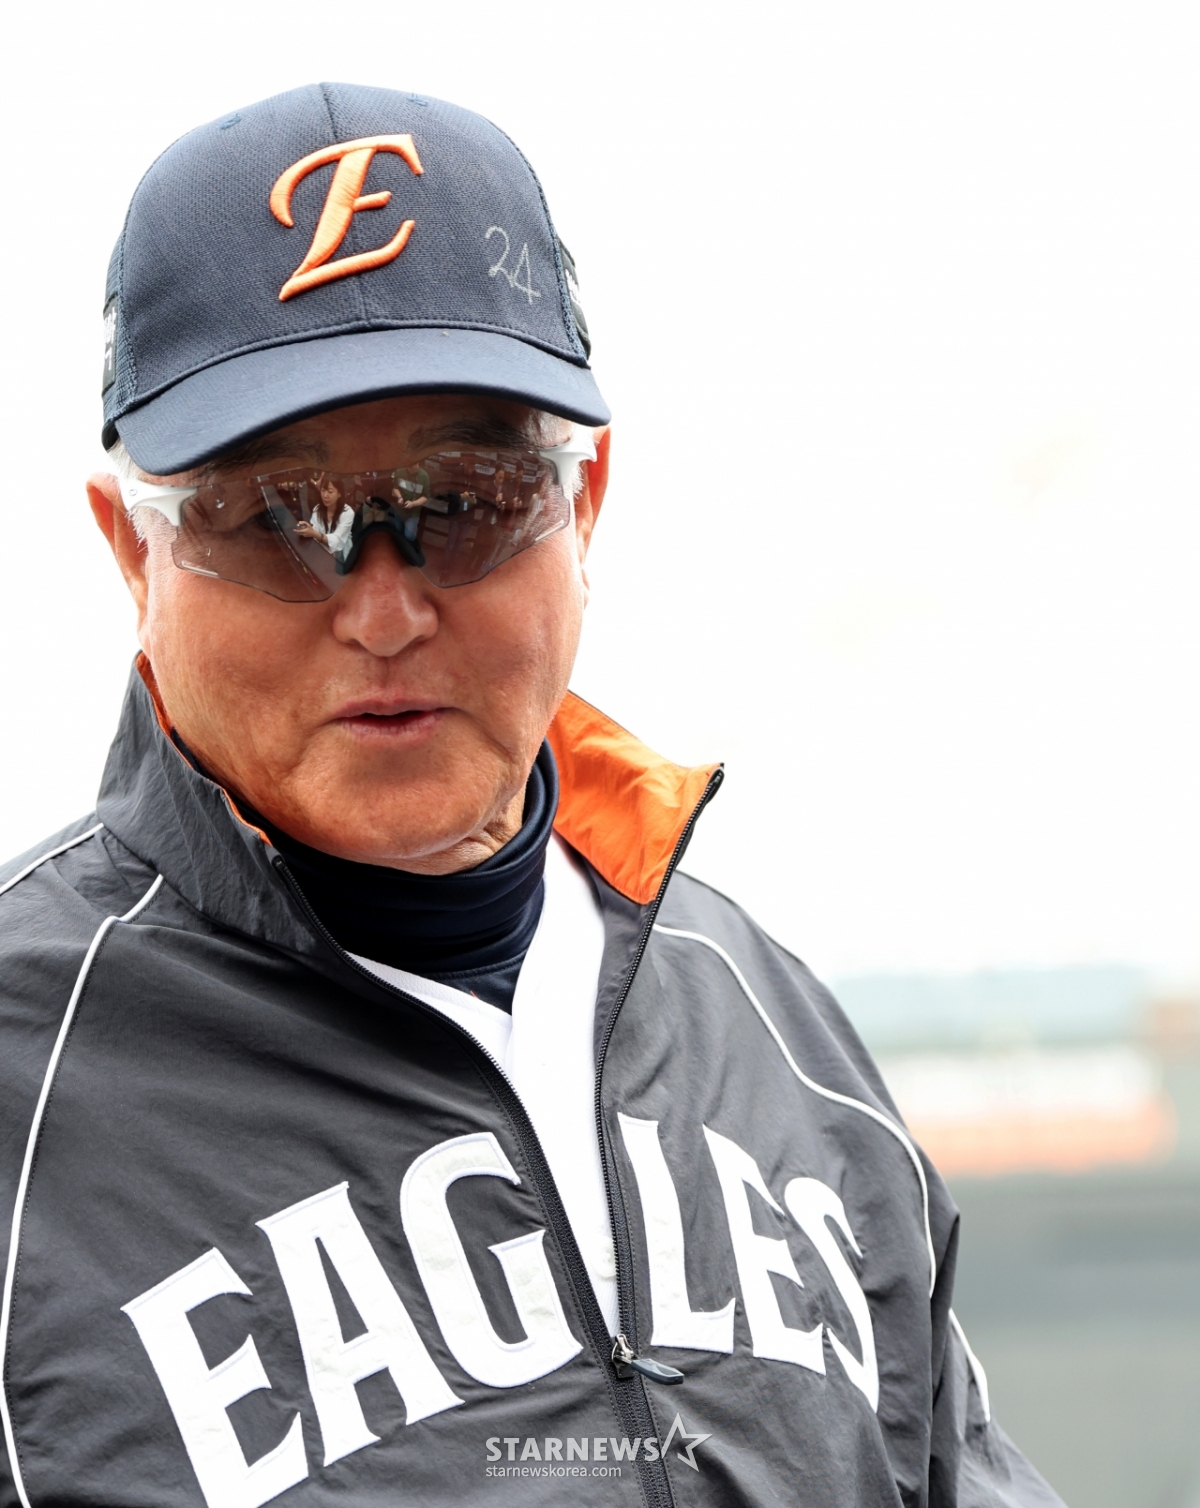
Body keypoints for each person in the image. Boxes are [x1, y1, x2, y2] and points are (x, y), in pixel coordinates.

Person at [0, 83, 1064, 1508]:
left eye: (465, 502)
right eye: (276, 520)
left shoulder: (770, 1025)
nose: (383, 611)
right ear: (133, 555)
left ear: (585, 505)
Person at [294, 473, 355, 559]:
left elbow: (337, 542)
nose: (325, 495)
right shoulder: (317, 509)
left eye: (330, 491)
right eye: (323, 490)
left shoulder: (348, 513)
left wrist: (314, 533)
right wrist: (307, 530)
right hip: (321, 553)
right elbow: (314, 531)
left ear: (339, 493)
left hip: (341, 555)